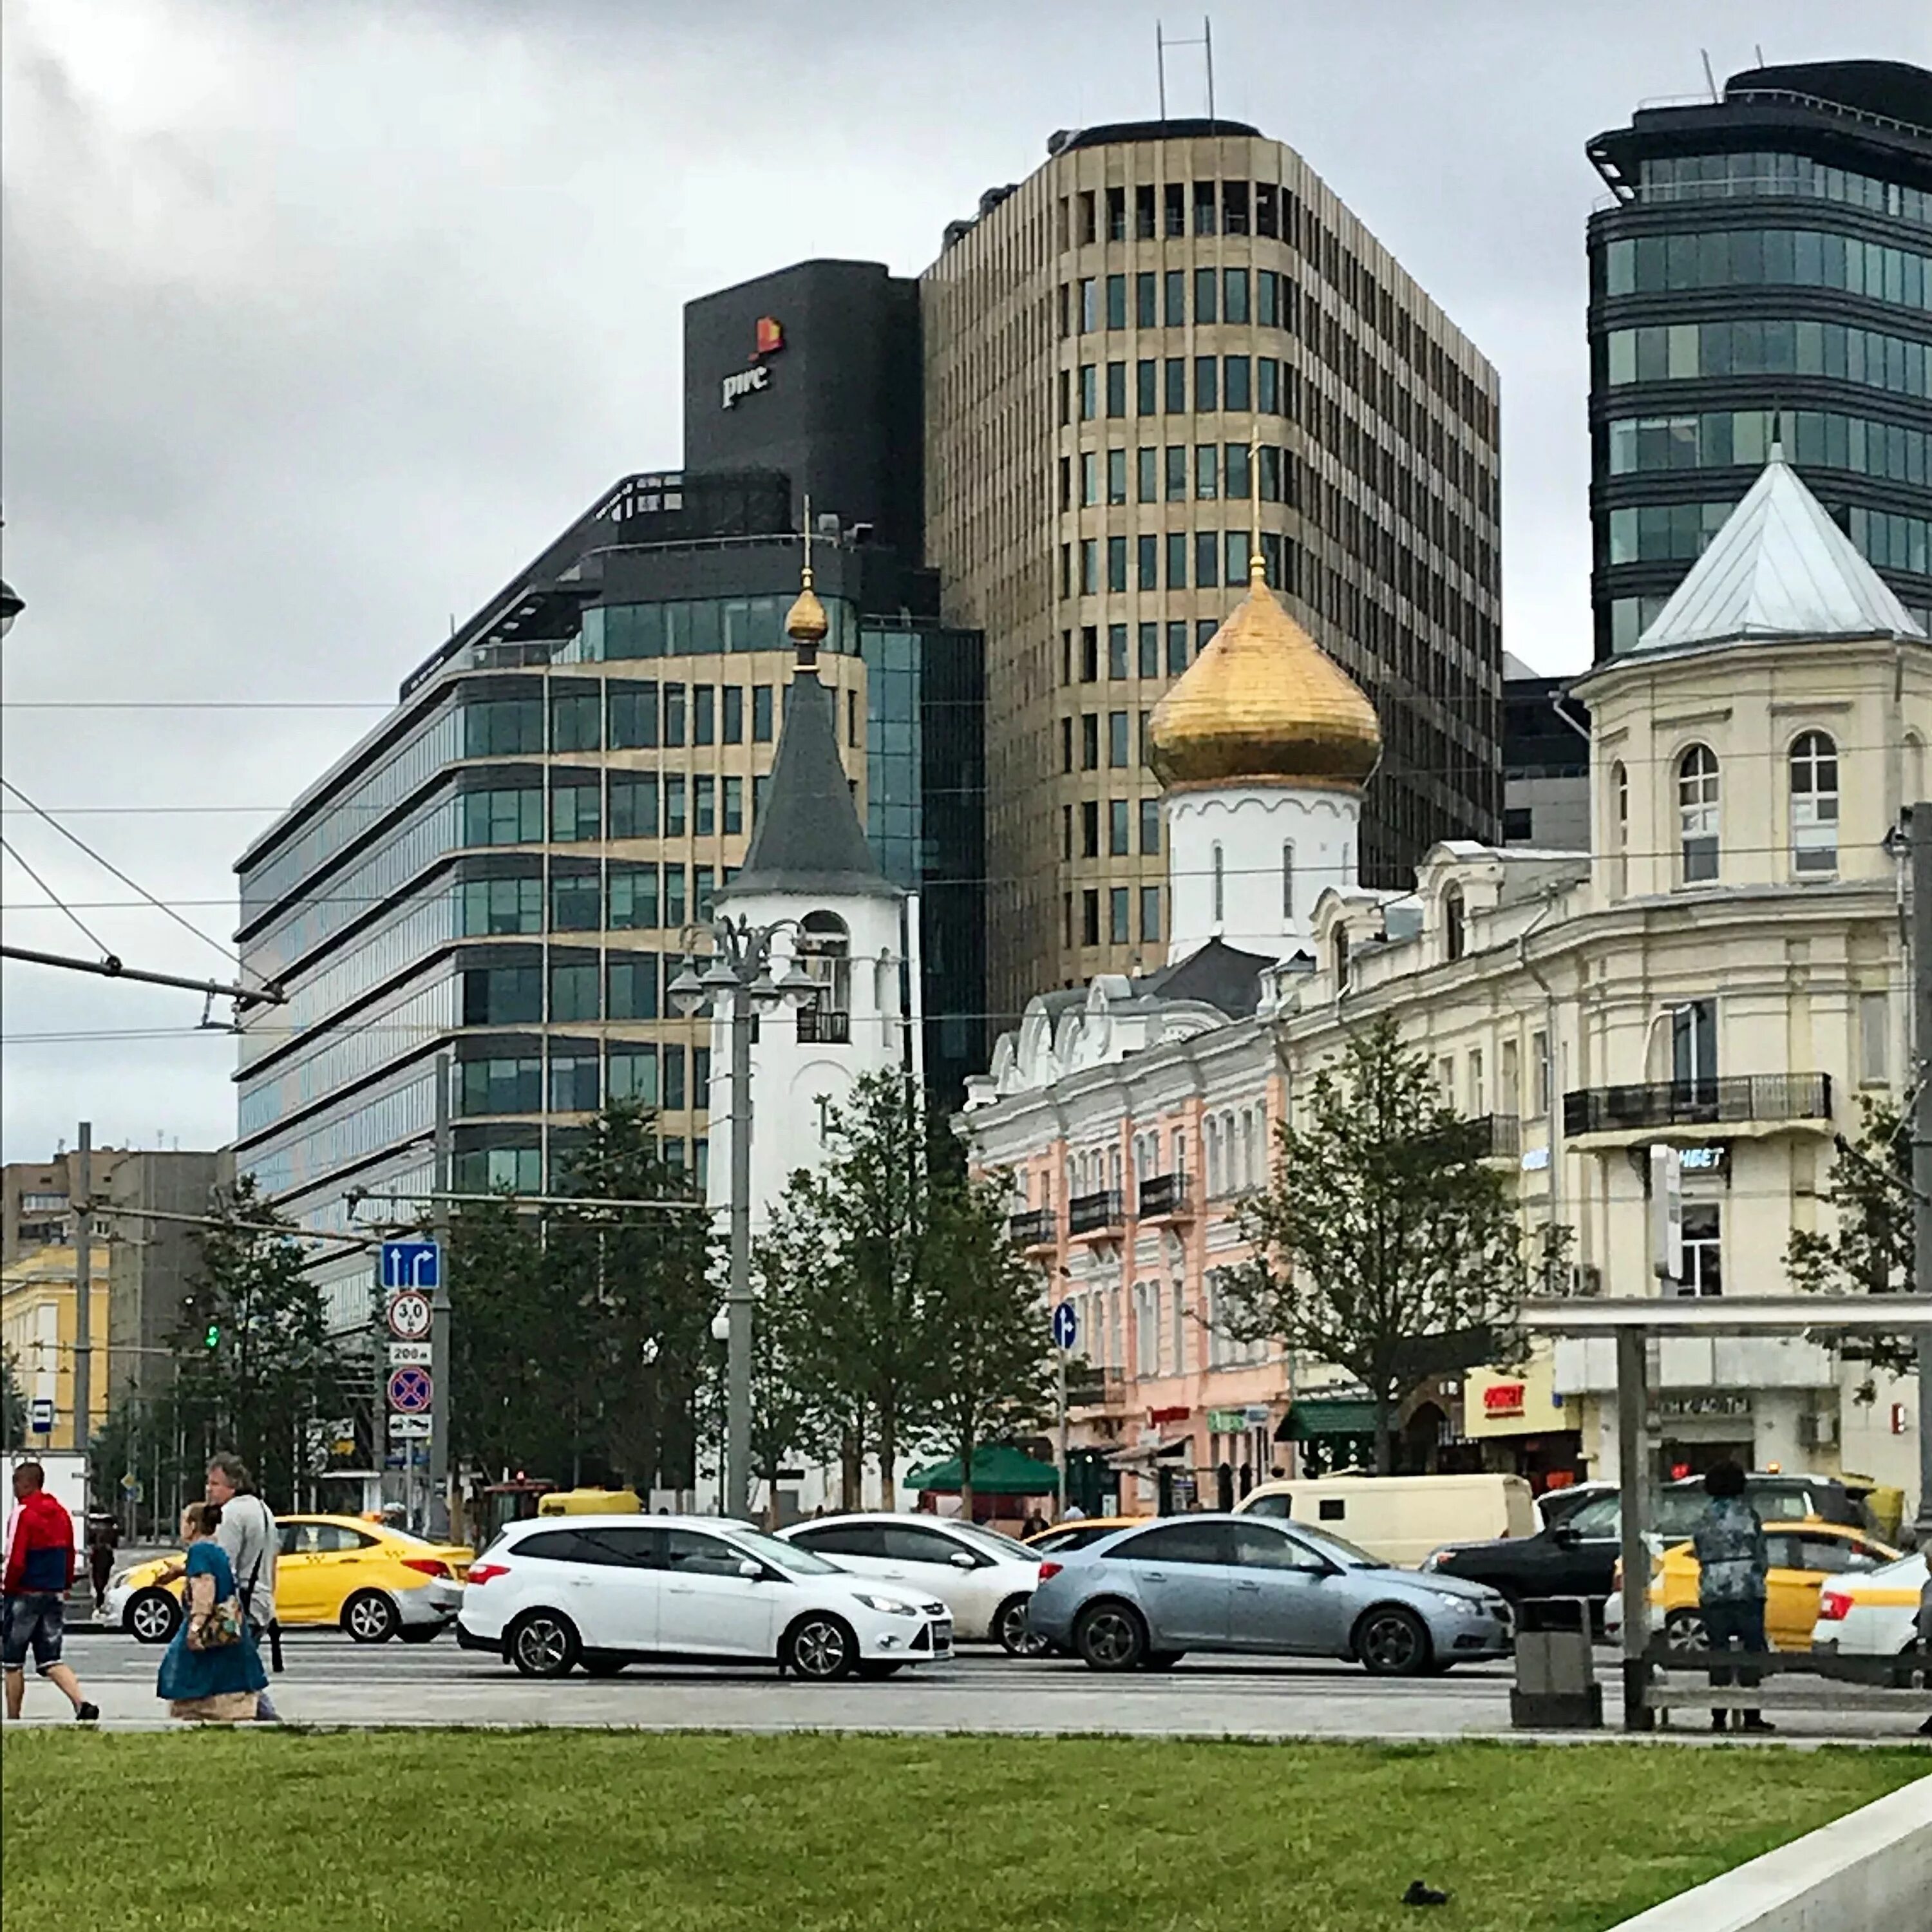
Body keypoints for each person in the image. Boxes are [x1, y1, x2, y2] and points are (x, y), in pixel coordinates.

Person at [156, 1501, 269, 1723]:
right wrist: (179, 1572)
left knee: (191, 1673)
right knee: (233, 1673)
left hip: (210, 1628)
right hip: (228, 1626)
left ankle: (198, 1713)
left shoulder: (199, 1551)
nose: (181, 1527)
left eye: (183, 1521)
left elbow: (205, 1588)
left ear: (193, 1525)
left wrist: (195, 1627)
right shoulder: (215, 1549)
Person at [2, 1463, 98, 1723]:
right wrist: (65, 1585)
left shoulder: (22, 1513)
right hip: (54, 1592)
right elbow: (69, 1553)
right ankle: (82, 1703)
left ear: (24, 1484)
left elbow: (15, 1559)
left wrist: (6, 1587)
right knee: (51, 1659)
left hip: (24, 1593)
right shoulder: (62, 1514)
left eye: (16, 1484)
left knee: (12, 1661)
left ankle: (13, 1719)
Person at [1692, 1461, 1772, 1734]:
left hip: (1714, 1589)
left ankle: (1718, 1716)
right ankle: (1752, 1715)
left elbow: (1699, 1550)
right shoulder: (1749, 1515)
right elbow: (1762, 1554)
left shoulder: (1705, 1517)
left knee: (1718, 1653)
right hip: (1748, 1587)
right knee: (1751, 1652)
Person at [205, 1454, 279, 1721]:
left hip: (241, 1605)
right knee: (237, 1669)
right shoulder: (262, 1509)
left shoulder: (232, 1513)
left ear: (233, 1486)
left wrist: (211, 1608)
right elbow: (273, 1562)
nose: (209, 1489)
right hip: (261, 1602)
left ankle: (267, 1719)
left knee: (231, 1671)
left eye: (215, 1483)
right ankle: (261, 1719)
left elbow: (225, 1565)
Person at [87, 1515, 118, 1618]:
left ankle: (99, 1604)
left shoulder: (93, 1529)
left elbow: (90, 1543)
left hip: (99, 1557)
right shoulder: (111, 1530)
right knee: (103, 1581)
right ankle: (101, 1603)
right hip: (105, 1558)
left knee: (98, 1581)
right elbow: (114, 1546)